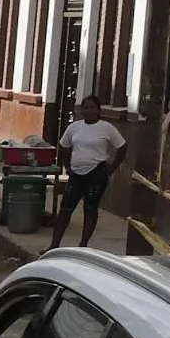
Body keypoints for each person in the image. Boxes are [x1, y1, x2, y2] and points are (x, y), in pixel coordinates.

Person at [56, 98, 126, 246]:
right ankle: (54, 244)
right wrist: (67, 166)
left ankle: (83, 244)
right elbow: (63, 146)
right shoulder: (74, 127)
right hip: (76, 173)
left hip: (97, 174)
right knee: (65, 208)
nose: (88, 111)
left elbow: (122, 146)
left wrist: (112, 167)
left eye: (92, 107)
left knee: (90, 208)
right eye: (85, 108)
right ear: (81, 110)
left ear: (98, 110)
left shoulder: (106, 128)